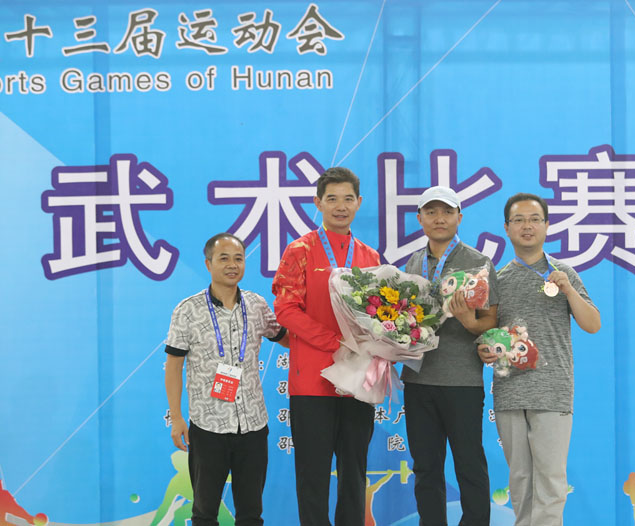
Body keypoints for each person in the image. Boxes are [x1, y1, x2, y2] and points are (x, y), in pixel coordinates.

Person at [479, 193, 600, 526]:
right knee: (520, 481)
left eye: (534, 219)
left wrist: (569, 290)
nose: (527, 226)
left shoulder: (563, 274)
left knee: (550, 482)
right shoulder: (497, 279)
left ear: (547, 225)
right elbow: (487, 335)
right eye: (518, 220)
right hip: (510, 394)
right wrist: (486, 350)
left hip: (553, 392)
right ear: (507, 228)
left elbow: (593, 324)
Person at [272, 167, 380, 526]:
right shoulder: (299, 251)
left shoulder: (370, 257)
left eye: (348, 199)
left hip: (357, 382)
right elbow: (286, 310)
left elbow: (382, 316)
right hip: (312, 381)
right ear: (318, 203)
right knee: (312, 474)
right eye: (332, 199)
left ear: (359, 202)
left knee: (355, 472)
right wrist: (334, 342)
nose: (340, 206)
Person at [164, 233, 288, 526]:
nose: (232, 265)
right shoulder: (188, 310)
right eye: (224, 258)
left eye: (238, 258)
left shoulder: (257, 305)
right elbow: (173, 366)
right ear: (208, 264)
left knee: (251, 514)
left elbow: (287, 338)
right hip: (209, 427)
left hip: (253, 425)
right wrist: (177, 418)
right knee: (205, 513)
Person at [401, 185, 499, 526]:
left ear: (459, 217)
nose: (439, 218)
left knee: (469, 464)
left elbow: (490, 321)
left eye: (446, 212)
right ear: (420, 218)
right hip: (418, 379)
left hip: (462, 381)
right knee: (425, 467)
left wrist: (468, 320)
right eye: (431, 212)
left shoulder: (478, 262)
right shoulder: (413, 262)